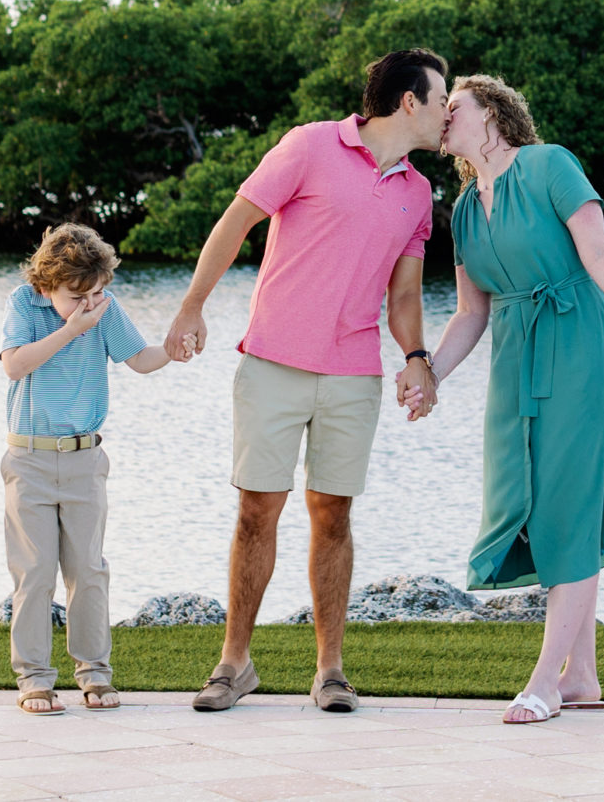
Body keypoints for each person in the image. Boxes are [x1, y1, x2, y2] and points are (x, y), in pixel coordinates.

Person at [163, 48, 449, 713]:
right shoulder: (310, 145)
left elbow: (404, 295)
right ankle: (235, 662)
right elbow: (237, 220)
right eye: (442, 99)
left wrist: (416, 354)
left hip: (353, 376)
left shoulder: (417, 193)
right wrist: (191, 305)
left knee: (335, 515)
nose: (448, 112)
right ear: (409, 100)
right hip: (272, 363)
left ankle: (330, 670)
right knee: (257, 511)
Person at [419, 74, 604, 726]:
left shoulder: (551, 164)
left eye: (455, 106)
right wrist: (430, 373)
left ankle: (546, 681)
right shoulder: (466, 210)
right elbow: (470, 311)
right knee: (534, 505)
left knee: (570, 507)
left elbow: (598, 250)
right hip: (515, 362)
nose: (442, 116)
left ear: (493, 116)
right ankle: (582, 673)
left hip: (582, 347)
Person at [0, 221, 182, 714]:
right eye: (77, 296)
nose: (90, 304)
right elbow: (14, 365)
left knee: (88, 571)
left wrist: (174, 349)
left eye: (98, 293)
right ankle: (35, 678)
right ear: (46, 285)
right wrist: (71, 329)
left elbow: (140, 359)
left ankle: (95, 674)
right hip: (29, 459)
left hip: (85, 460)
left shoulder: (104, 307)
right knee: (34, 573)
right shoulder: (25, 304)